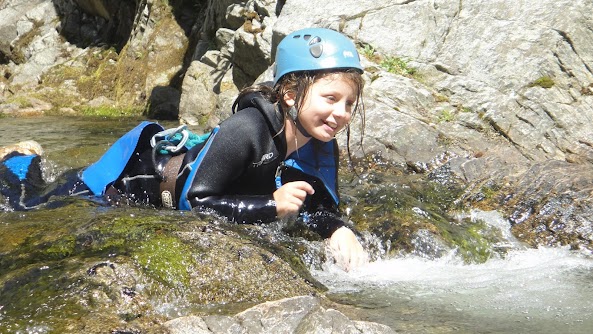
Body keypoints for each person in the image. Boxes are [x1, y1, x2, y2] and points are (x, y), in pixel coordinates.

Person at [0, 27, 368, 271]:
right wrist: (271, 205)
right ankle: (19, 158)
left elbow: (317, 202)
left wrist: (337, 229)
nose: (340, 113)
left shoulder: (319, 143)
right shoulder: (247, 129)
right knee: (26, 202)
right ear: (290, 94)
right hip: (124, 185)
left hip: (169, 184)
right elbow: (196, 202)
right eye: (330, 98)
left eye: (349, 103)